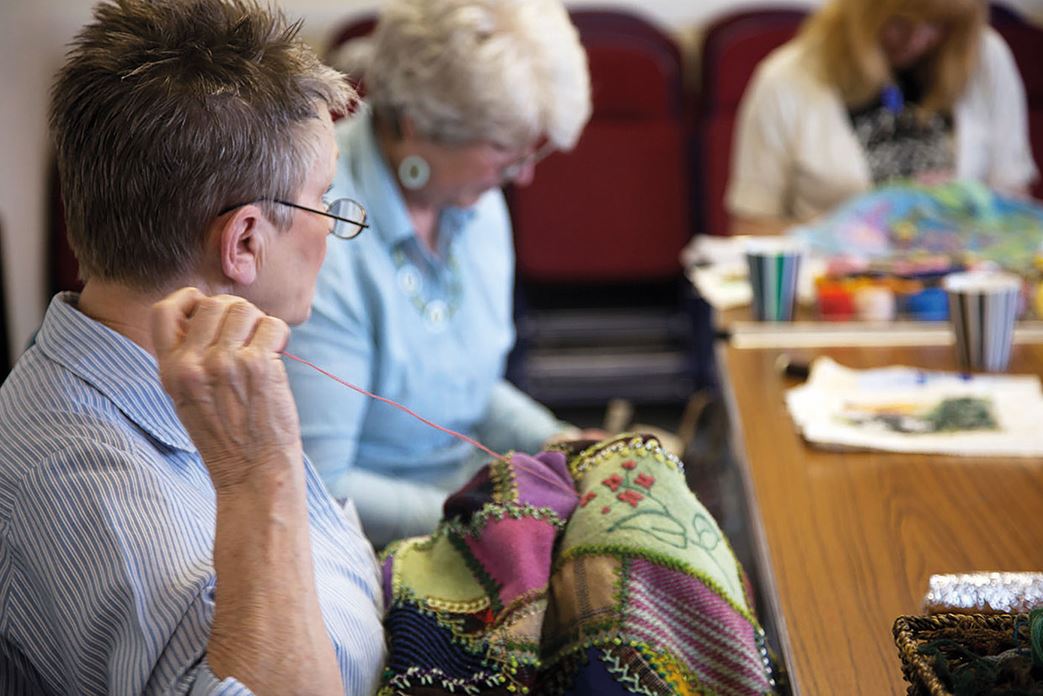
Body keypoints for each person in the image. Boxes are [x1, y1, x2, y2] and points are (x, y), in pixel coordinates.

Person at [0, 1, 386, 692]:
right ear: (243, 241)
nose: (332, 228)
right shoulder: (100, 503)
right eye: (325, 199)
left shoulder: (217, 377)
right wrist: (259, 476)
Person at [285, 0, 594, 547]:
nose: (521, 175)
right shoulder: (323, 237)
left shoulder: (474, 201)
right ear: (415, 125)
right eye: (504, 149)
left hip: (473, 509)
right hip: (367, 550)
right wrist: (493, 516)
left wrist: (562, 445)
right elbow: (321, 486)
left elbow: (466, 393)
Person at [725, 0, 1039, 235]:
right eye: (900, 23)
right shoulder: (786, 78)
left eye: (938, 25)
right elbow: (750, 227)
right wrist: (838, 228)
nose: (917, 40)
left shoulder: (986, 59)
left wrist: (965, 206)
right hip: (840, 299)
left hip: (961, 286)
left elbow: (1012, 203)